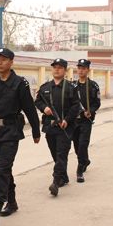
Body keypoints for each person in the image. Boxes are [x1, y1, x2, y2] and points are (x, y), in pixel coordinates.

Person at [0, 47, 41, 226]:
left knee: (2, 170)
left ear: (11, 62)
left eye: (3, 59)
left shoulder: (20, 83)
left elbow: (29, 108)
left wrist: (36, 131)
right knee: (2, 170)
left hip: (11, 132)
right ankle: (11, 202)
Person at [34, 58, 80, 196]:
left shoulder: (71, 88)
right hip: (50, 127)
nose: (57, 69)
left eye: (60, 67)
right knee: (55, 153)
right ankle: (63, 176)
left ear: (65, 70)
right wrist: (44, 108)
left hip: (65, 128)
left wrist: (67, 119)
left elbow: (76, 106)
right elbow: (38, 101)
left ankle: (55, 182)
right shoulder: (45, 88)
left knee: (61, 154)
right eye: (55, 67)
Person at [72, 59, 101, 183]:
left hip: (86, 121)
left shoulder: (93, 86)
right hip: (74, 121)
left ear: (88, 70)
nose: (81, 70)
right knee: (76, 146)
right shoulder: (72, 85)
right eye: (79, 68)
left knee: (83, 144)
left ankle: (79, 171)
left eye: (83, 68)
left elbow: (97, 103)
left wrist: (91, 111)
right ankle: (85, 160)